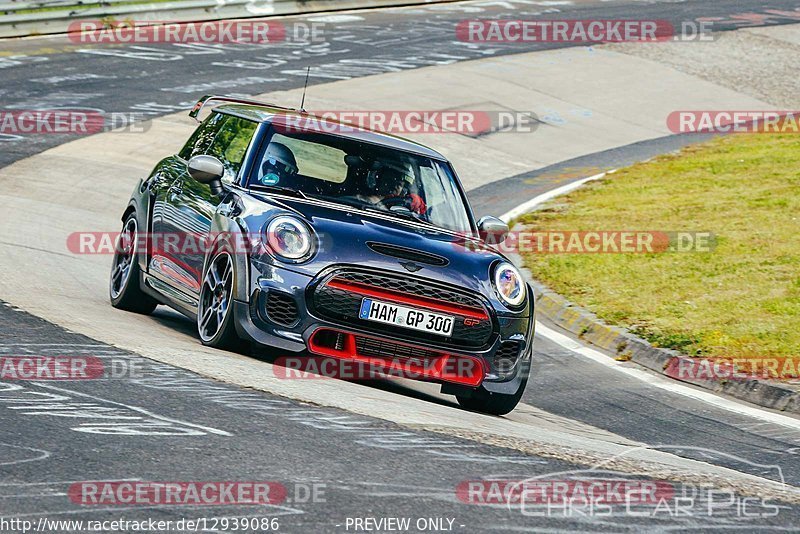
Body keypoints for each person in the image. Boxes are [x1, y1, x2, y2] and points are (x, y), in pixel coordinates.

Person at [358, 161, 426, 215]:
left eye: (399, 184)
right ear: (378, 181)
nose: (394, 186)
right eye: (390, 181)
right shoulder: (364, 199)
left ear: (403, 188)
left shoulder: (408, 203)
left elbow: (422, 215)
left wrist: (415, 202)